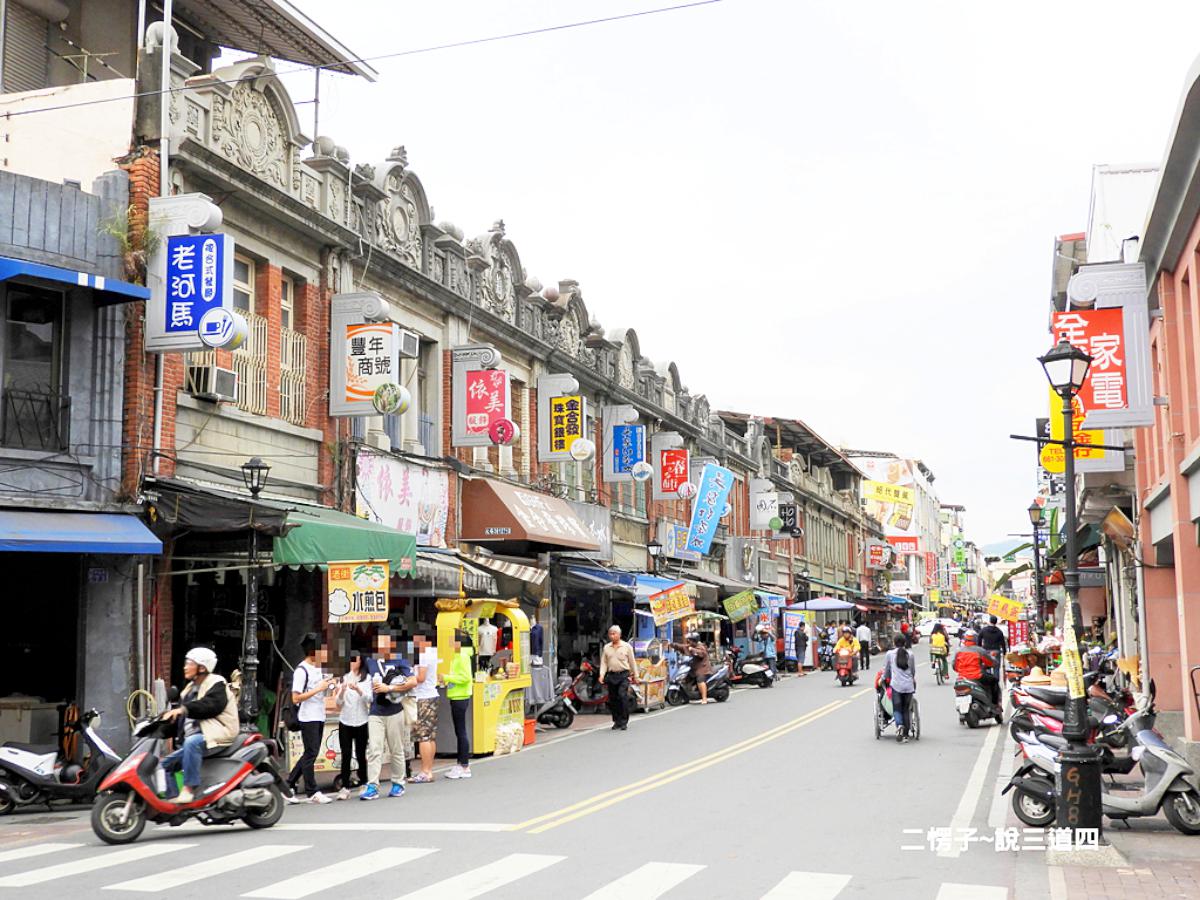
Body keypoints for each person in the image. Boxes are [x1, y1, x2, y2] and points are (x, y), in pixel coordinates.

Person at [160, 647, 239, 804]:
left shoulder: (217, 683)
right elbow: (182, 720)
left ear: (202, 667)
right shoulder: (188, 689)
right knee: (163, 765)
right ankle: (173, 804)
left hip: (217, 733)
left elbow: (210, 706)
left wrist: (183, 710)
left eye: (189, 663)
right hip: (198, 736)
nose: (185, 667)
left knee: (192, 742)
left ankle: (189, 789)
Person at [361, 630, 416, 801]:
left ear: (391, 644)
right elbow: (364, 680)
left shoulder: (401, 661)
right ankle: (372, 785)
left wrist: (389, 688)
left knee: (396, 749)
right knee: (374, 749)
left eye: (385, 643)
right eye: (379, 643)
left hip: (395, 710)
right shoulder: (371, 662)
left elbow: (412, 682)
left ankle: (398, 783)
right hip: (375, 711)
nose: (381, 646)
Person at [287, 634, 333, 804]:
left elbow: (322, 691)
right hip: (307, 717)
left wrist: (328, 686)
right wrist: (318, 688)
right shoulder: (302, 670)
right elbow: (295, 698)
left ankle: (289, 784)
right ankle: (311, 791)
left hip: (319, 714)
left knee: (310, 753)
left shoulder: (319, 669)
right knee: (311, 753)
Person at [334, 650, 370, 800]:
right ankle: (345, 786)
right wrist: (341, 691)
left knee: (361, 753)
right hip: (345, 720)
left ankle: (364, 782)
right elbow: (338, 704)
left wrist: (358, 689)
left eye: (355, 660)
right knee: (346, 753)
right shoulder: (343, 678)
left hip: (361, 719)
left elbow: (369, 698)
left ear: (361, 661)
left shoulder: (366, 678)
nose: (352, 663)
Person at [408, 633, 440, 784]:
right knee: (430, 736)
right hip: (432, 695)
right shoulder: (433, 652)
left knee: (423, 736)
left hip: (423, 697)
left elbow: (420, 677)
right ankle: (429, 769)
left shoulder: (423, 655)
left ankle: (425, 771)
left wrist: (405, 680)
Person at [444, 631, 474, 779]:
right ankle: (461, 764)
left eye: (451, 641)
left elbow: (465, 677)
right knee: (459, 731)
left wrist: (446, 677)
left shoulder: (461, 656)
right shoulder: (460, 655)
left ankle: (464, 765)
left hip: (460, 696)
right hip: (458, 695)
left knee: (461, 731)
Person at [599, 625, 639, 730]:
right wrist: (602, 675)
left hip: (624, 675)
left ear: (619, 635)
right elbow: (604, 663)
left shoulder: (626, 647)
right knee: (613, 699)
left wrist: (636, 675)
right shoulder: (606, 648)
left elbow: (632, 662)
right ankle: (616, 720)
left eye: (614, 634)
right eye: (610, 634)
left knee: (622, 696)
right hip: (611, 675)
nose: (612, 636)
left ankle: (624, 721)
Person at [881, 635, 917, 742]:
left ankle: (899, 725)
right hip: (909, 686)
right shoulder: (910, 654)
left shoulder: (890, 654)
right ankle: (906, 735)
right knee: (906, 709)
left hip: (896, 685)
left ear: (894, 642)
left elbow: (887, 670)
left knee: (897, 708)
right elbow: (913, 671)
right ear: (905, 643)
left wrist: (883, 679)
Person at [953, 632, 1000, 704]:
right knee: (994, 680)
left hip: (962, 678)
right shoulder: (980, 651)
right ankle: (995, 704)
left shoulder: (958, 651)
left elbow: (955, 667)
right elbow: (991, 663)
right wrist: (993, 659)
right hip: (977, 676)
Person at [671, 633, 711, 703]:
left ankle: (704, 698)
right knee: (684, 679)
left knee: (700, 680)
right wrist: (672, 645)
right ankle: (686, 697)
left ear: (694, 640)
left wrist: (693, 650)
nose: (689, 642)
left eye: (690, 640)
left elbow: (701, 653)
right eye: (688, 640)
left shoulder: (701, 647)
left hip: (702, 668)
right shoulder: (688, 647)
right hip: (692, 668)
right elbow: (681, 646)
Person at [978, 615, 1008, 679]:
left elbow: (979, 639)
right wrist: (1005, 652)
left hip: (986, 651)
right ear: (996, 622)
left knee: (986, 666)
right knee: (996, 668)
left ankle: (987, 681)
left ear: (990, 621)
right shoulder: (999, 631)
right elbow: (1003, 643)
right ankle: (996, 683)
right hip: (996, 651)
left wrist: (979, 648)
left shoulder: (984, 630)